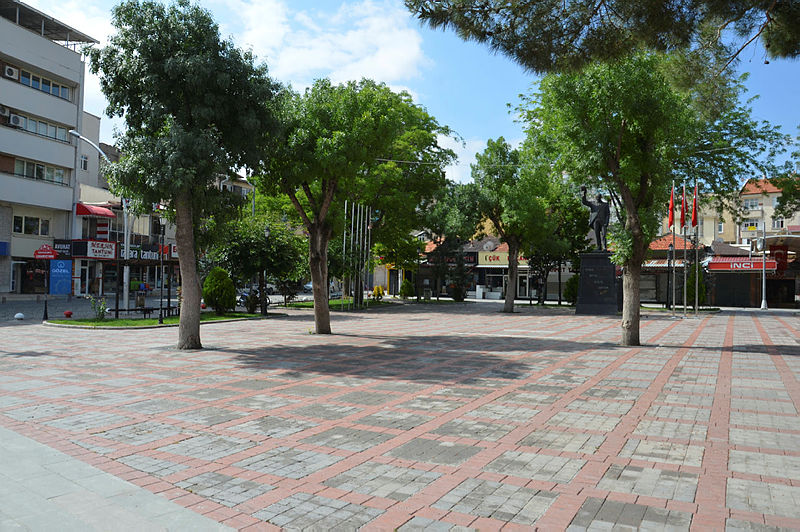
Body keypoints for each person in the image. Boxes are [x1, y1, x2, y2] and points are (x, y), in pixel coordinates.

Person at [581, 186, 610, 251]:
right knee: (597, 235)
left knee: (604, 234)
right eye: (597, 197)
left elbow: (608, 214)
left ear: (601, 197)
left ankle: (605, 247)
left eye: (599, 197)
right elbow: (584, 202)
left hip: (603, 222)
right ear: (595, 197)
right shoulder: (592, 203)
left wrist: (607, 222)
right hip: (595, 221)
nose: (597, 198)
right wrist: (584, 193)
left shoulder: (605, 205)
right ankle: (599, 247)